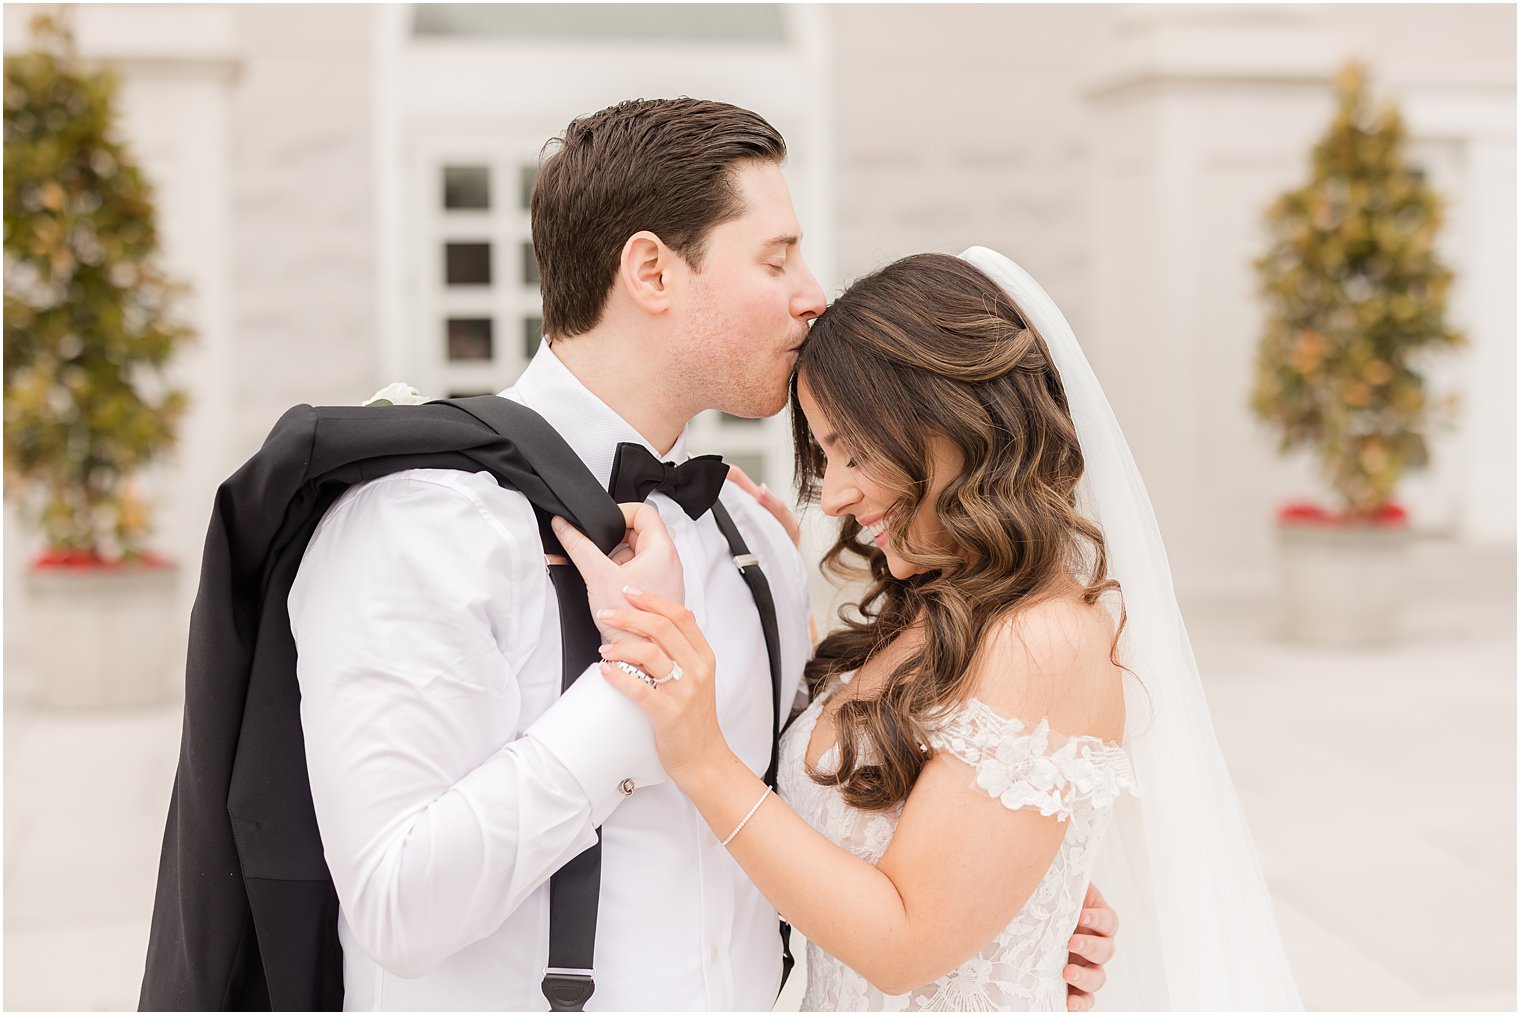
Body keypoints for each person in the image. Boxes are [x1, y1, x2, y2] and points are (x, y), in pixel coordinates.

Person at [287, 100, 1116, 1011]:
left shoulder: (754, 537)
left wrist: (1011, 895)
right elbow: (396, 910)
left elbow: (859, 817)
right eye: (777, 257)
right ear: (651, 271)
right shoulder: (419, 522)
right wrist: (636, 692)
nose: (814, 293)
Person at [558, 249, 1303, 1009]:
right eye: (825, 453)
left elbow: (904, 945)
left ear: (953, 421)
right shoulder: (931, 611)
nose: (837, 492)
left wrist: (702, 758)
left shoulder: (1045, 640)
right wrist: (778, 594)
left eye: (853, 448)